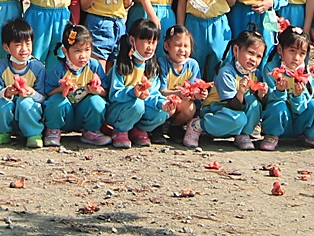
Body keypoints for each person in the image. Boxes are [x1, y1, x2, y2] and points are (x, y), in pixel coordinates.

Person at [259, 26, 314, 149]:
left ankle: (312, 135)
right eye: (292, 51)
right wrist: (279, 91)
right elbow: (268, 101)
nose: (296, 58)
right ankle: (272, 135)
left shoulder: (305, 73)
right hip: (280, 120)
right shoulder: (271, 69)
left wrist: (298, 97)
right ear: (281, 50)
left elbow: (305, 104)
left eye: (302, 53)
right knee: (278, 106)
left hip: (299, 121)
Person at [104, 18, 171, 147]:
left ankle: (138, 129)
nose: (150, 47)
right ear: (132, 41)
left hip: (141, 108)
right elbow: (114, 94)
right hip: (118, 109)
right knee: (137, 104)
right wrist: (132, 92)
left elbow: (152, 94)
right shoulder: (121, 65)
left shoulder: (152, 68)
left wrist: (162, 103)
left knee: (162, 112)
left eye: (153, 42)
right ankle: (121, 130)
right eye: (146, 42)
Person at [39, 24, 109, 146]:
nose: (83, 55)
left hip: (83, 113)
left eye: (87, 50)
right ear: (65, 51)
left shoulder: (94, 66)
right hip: (65, 114)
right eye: (77, 51)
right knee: (55, 100)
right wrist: (62, 89)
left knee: (97, 102)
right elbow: (47, 93)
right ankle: (53, 130)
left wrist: (97, 91)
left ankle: (91, 132)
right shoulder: (59, 69)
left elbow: (106, 92)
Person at [199, 29, 268, 149]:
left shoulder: (255, 74)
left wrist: (262, 95)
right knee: (239, 120)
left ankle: (243, 134)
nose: (253, 59)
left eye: (258, 56)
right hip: (216, 110)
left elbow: (258, 105)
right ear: (236, 50)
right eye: (250, 53)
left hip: (236, 113)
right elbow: (233, 105)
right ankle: (200, 125)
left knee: (254, 103)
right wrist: (241, 91)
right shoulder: (226, 73)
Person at [0, 18, 46, 147]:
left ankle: (33, 134)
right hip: (8, 114)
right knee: (1, 103)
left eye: (28, 43)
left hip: (29, 115)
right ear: (6, 47)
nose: (24, 49)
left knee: (25, 102)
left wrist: (31, 92)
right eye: (18, 45)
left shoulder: (38, 67)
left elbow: (42, 98)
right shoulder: (0, 67)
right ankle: (2, 132)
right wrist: (7, 93)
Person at [161, 25, 205, 143]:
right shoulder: (161, 63)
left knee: (190, 107)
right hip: (164, 101)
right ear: (166, 46)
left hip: (181, 103)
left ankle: (175, 126)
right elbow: (161, 91)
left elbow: (191, 92)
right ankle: (158, 127)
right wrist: (178, 93)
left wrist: (199, 94)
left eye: (186, 46)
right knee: (168, 104)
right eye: (177, 45)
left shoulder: (193, 65)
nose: (182, 50)